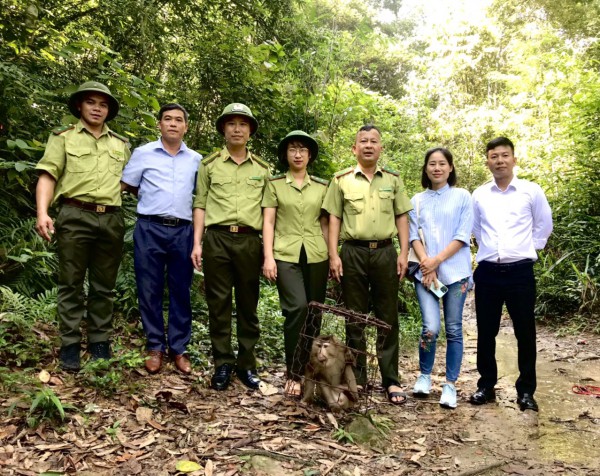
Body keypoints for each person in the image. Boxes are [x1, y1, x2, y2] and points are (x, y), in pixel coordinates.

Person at [35, 81, 130, 371]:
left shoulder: (121, 144)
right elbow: (48, 175)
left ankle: (100, 341)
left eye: (102, 104)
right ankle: (70, 344)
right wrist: (43, 212)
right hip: (75, 214)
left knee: (104, 285)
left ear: (109, 110)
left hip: (111, 218)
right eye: (91, 102)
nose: (97, 108)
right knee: (71, 283)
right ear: (80, 105)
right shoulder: (64, 137)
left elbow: (131, 182)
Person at [323, 124, 412, 405]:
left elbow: (402, 218)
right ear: (355, 148)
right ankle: (358, 378)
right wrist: (333, 255)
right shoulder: (341, 180)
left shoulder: (393, 181)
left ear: (381, 148)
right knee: (355, 316)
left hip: (386, 252)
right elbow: (333, 218)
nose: (369, 145)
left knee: (388, 318)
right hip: (353, 253)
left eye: (374, 141)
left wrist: (404, 252)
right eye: (363, 141)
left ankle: (391, 380)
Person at [470, 137, 552, 412]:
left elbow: (543, 226)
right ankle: (486, 386)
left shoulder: (530, 191)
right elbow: (477, 230)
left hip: (520, 272)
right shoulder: (479, 194)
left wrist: (526, 248)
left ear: (514, 159)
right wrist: (491, 251)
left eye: (505, 155)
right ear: (488, 162)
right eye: (494, 156)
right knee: (486, 331)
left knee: (525, 332)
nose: (500, 161)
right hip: (488, 272)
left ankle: (526, 391)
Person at [191, 103, 269, 391]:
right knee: (219, 304)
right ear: (223, 129)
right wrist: (197, 243)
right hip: (217, 239)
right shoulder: (209, 164)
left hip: (249, 240)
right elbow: (199, 204)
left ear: (250, 131)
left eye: (243, 124)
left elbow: (268, 211)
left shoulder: (262, 169)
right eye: (232, 124)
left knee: (248, 305)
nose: (237, 129)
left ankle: (247, 365)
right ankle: (222, 363)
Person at [121, 103, 202, 375]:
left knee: (181, 289)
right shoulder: (143, 153)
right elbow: (129, 185)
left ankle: (179, 348)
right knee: (149, 288)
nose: (173, 124)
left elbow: (200, 197)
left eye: (179, 120)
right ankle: (155, 346)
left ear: (186, 126)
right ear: (159, 124)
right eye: (167, 119)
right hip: (149, 228)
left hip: (182, 231)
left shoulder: (196, 160)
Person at [262, 130, 329, 397]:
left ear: (310, 155)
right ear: (286, 155)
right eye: (292, 149)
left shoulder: (323, 186)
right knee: (296, 308)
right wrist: (268, 257)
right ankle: (293, 373)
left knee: (315, 313)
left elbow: (325, 223)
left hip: (316, 253)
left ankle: (311, 371)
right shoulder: (275, 184)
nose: (298, 154)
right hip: (285, 252)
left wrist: (332, 256)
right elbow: (268, 221)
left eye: (303, 149)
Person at [408, 148, 473, 409]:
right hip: (425, 275)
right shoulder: (417, 200)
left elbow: (461, 235)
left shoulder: (462, 197)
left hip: (456, 273)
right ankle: (424, 376)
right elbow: (413, 235)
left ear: (450, 168)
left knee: (454, 329)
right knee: (430, 327)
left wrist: (436, 261)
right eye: (432, 164)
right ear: (425, 169)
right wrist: (428, 265)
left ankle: (450, 385)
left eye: (442, 164)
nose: (437, 168)